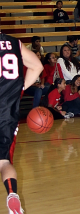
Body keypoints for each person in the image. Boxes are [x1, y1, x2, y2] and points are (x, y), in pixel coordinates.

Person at [0, 33, 43, 214]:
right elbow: (37, 66)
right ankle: (12, 196)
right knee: (3, 162)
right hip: (7, 112)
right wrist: (21, 87)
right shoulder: (13, 42)